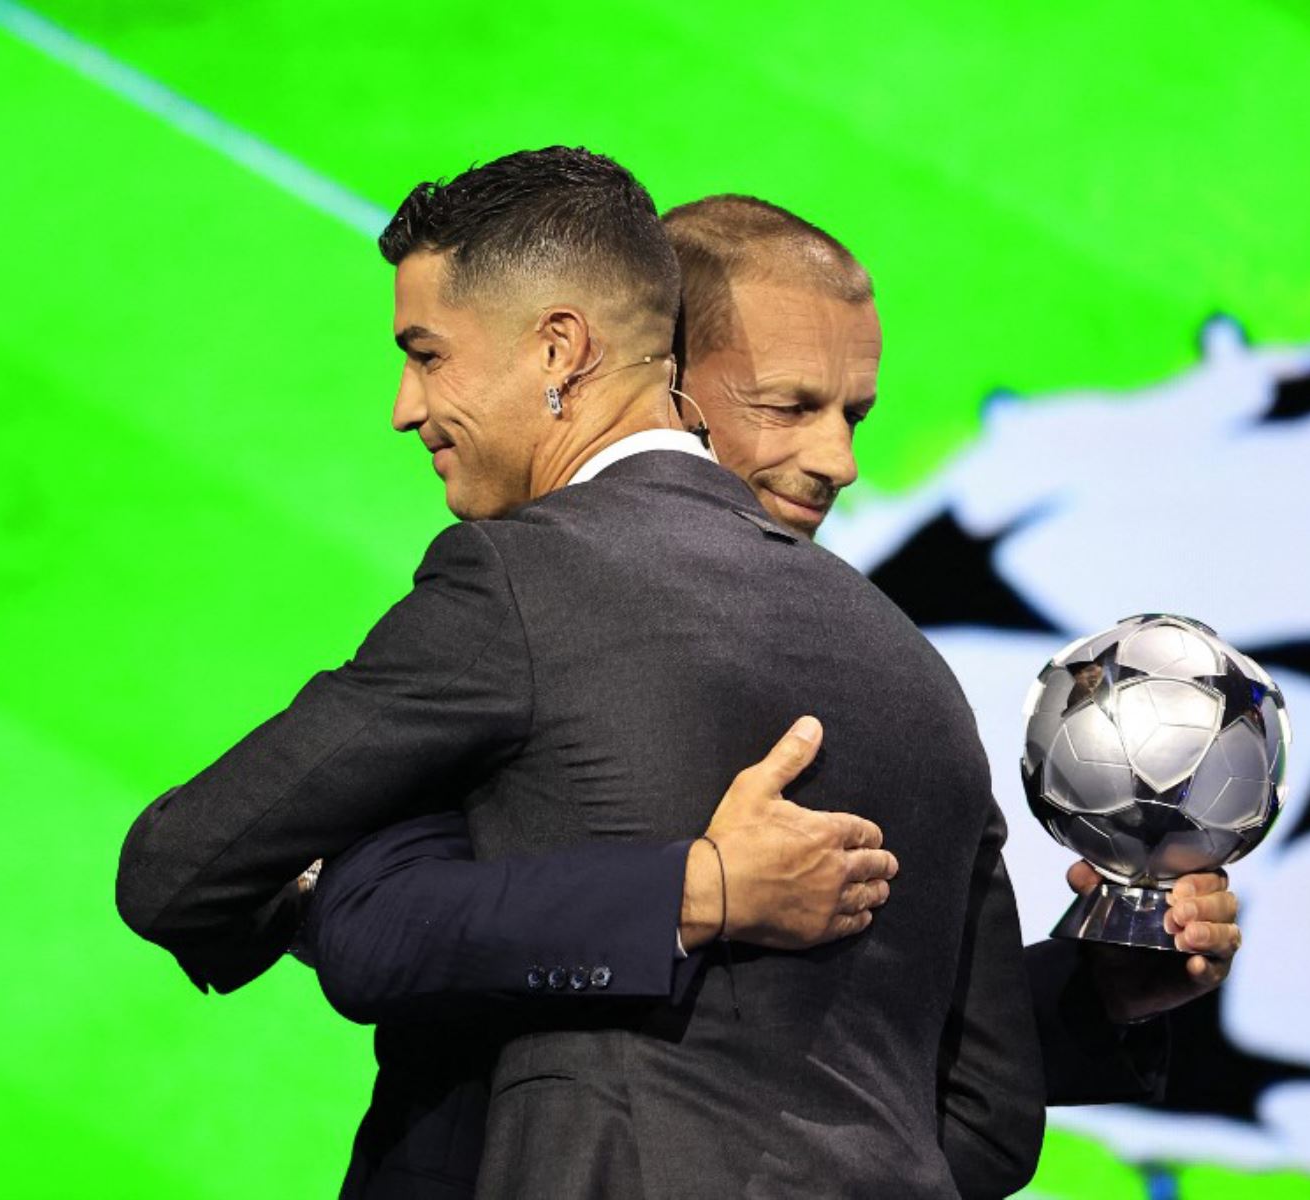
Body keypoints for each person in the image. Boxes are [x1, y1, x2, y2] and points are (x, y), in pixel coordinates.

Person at [116, 147, 1045, 1198]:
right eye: (793, 407)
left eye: (429, 355)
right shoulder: (909, 661)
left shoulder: (522, 581)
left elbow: (182, 868)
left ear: (560, 348)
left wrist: (693, 895)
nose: (405, 406)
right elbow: (988, 1114)